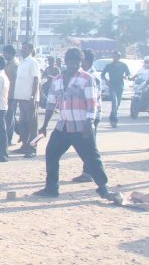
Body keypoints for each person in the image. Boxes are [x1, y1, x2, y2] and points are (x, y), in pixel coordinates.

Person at [34, 47, 121, 203]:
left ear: (81, 62)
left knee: (91, 158)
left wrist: (89, 122)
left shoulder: (86, 78)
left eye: (78, 61)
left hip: (81, 126)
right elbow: (51, 104)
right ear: (66, 62)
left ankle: (103, 188)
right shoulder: (58, 80)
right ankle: (51, 188)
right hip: (64, 126)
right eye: (71, 61)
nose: (74, 64)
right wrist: (44, 125)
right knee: (51, 153)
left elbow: (92, 103)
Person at [73, 49, 102, 183]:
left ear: (86, 61)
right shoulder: (83, 75)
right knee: (86, 145)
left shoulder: (92, 76)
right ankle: (89, 171)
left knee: (89, 146)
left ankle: (90, 172)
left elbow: (93, 98)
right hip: (84, 114)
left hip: (91, 115)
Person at [13, 41, 40, 158]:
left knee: (32, 125)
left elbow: (36, 80)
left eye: (25, 48)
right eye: (22, 48)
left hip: (30, 99)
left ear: (30, 50)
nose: (22, 50)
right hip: (21, 98)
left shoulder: (32, 62)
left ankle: (33, 148)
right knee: (23, 124)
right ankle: (25, 146)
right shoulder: (22, 63)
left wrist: (33, 97)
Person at [101, 50, 131, 127]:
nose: (114, 58)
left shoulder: (123, 65)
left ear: (119, 57)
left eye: (116, 56)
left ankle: (112, 117)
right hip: (112, 86)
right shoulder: (109, 65)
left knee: (118, 104)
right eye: (113, 56)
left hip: (120, 86)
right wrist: (106, 80)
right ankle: (114, 120)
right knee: (115, 103)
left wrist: (126, 76)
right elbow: (102, 75)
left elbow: (128, 74)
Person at [2, 45, 19, 146]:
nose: (4, 54)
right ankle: (17, 131)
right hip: (7, 94)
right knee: (9, 116)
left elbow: (14, 80)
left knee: (10, 117)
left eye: (5, 52)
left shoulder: (15, 65)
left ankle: (9, 138)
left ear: (9, 53)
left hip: (12, 94)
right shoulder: (8, 63)